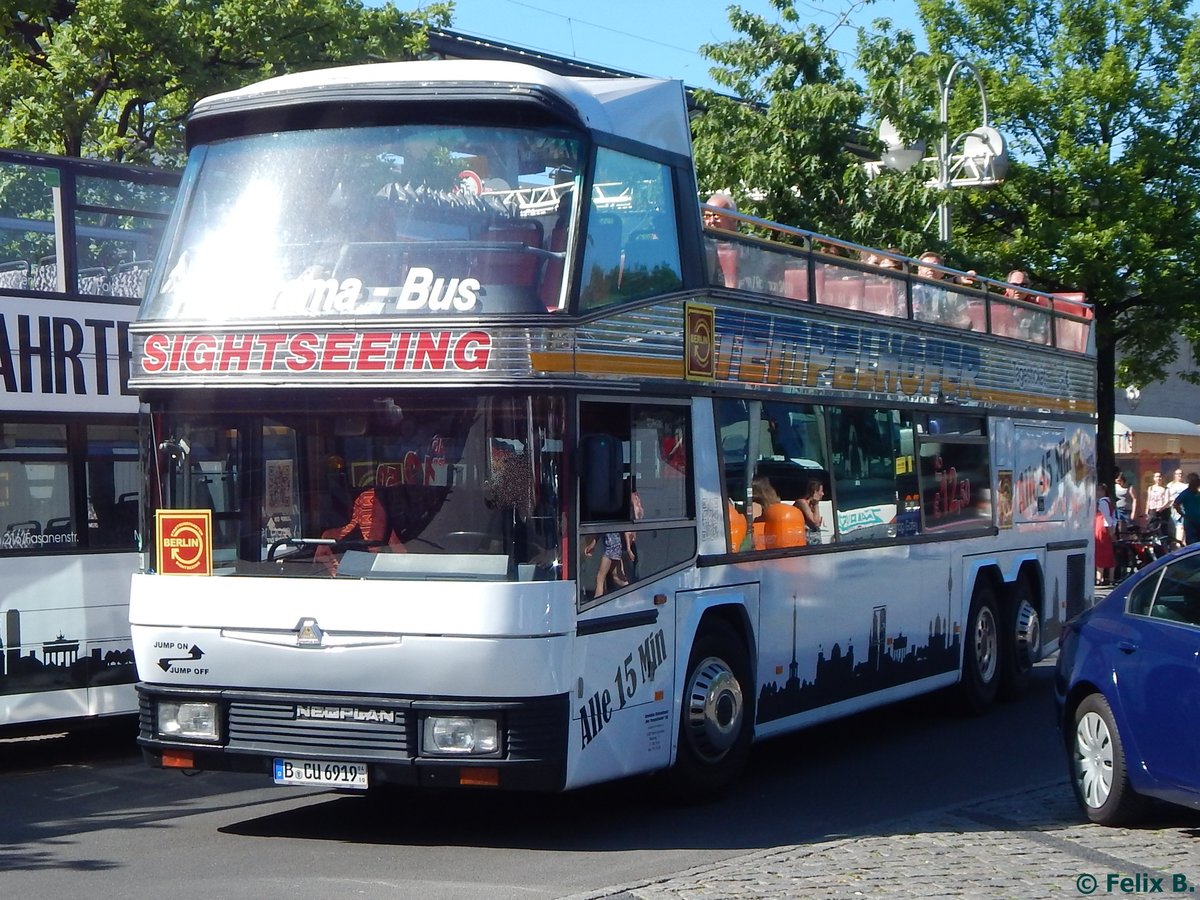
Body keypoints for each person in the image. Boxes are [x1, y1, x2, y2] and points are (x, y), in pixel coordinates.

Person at [1095, 484, 1116, 585]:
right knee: (1108, 552)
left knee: (1100, 552)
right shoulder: (1108, 501)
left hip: (1101, 527)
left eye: (1098, 490)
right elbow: (1113, 517)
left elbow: (1106, 517)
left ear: (1103, 491)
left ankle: (1100, 577)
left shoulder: (1102, 502)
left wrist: (1110, 529)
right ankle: (1110, 577)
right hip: (1105, 527)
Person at [1174, 473, 1200, 545]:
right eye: (1194, 481)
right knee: (1192, 544)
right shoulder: (1186, 493)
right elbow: (1176, 503)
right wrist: (1182, 514)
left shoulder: (1198, 493)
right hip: (1191, 523)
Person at [798, 478, 825, 545]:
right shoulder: (802, 503)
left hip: (813, 537)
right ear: (815, 492)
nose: (823, 494)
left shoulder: (812, 505)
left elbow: (817, 524)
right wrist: (816, 504)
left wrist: (816, 504)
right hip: (805, 537)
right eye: (821, 491)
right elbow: (815, 522)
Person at [1167, 468, 1188, 542]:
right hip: (1173, 509)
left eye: (1181, 474)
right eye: (1178, 474)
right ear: (1174, 475)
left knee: (1181, 527)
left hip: (1183, 509)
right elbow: (1168, 497)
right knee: (1174, 528)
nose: (1180, 475)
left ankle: (1179, 545)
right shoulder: (1170, 485)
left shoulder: (1186, 486)